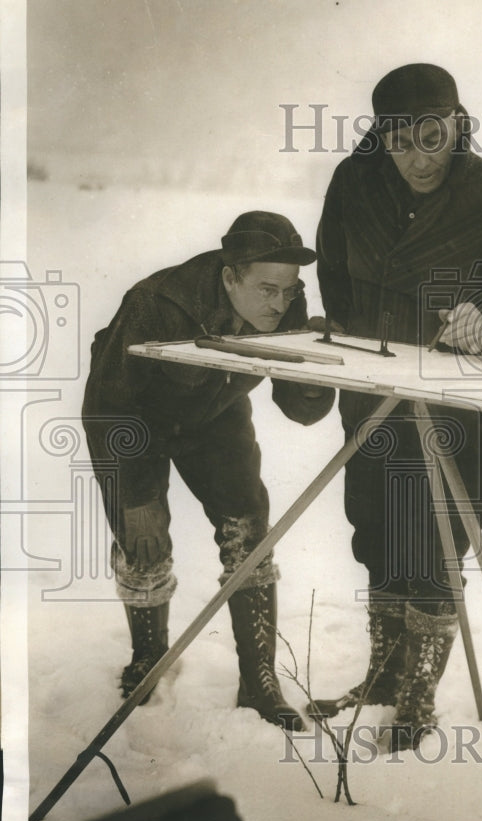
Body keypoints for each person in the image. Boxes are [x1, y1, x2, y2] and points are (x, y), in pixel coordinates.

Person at [310, 63, 482, 748]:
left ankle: (416, 700)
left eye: (430, 137)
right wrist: (357, 349)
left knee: (437, 538)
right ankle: (383, 672)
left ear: (458, 125)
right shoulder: (355, 181)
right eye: (399, 140)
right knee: (375, 526)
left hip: (454, 403)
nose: (416, 156)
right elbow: (331, 267)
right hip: (374, 386)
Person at [82, 211, 335, 731]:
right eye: (267, 290)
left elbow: (301, 409)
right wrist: (135, 498)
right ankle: (148, 656)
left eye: (289, 291)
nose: (279, 304)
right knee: (145, 543)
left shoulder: (286, 303)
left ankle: (259, 680)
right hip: (135, 422)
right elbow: (107, 404)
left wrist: (314, 368)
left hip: (216, 418)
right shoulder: (158, 301)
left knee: (250, 534)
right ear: (229, 275)